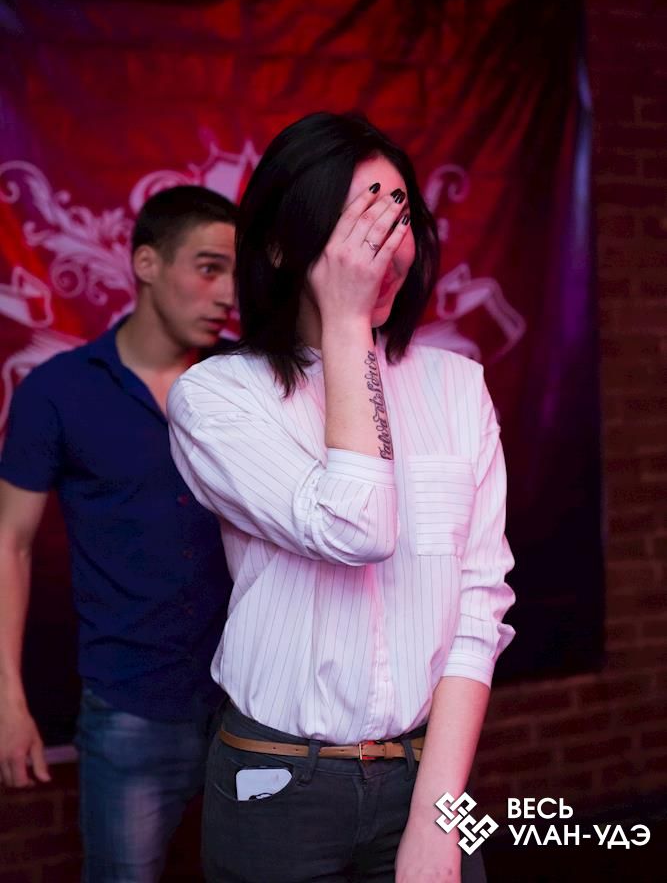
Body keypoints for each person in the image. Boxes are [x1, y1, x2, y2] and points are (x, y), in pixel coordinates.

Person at [167, 113, 516, 883]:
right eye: (355, 221)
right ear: (279, 245)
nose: (381, 245)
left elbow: (478, 607)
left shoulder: (457, 386)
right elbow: (356, 527)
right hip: (278, 783)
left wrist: (437, 817)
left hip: (430, 774)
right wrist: (348, 322)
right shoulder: (218, 396)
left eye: (396, 215)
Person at [0, 185, 237, 883]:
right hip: (130, 710)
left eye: (236, 272)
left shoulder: (246, 379)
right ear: (146, 263)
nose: (228, 294)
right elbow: (10, 544)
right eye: (209, 268)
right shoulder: (59, 390)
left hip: (250, 710)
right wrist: (8, 701)